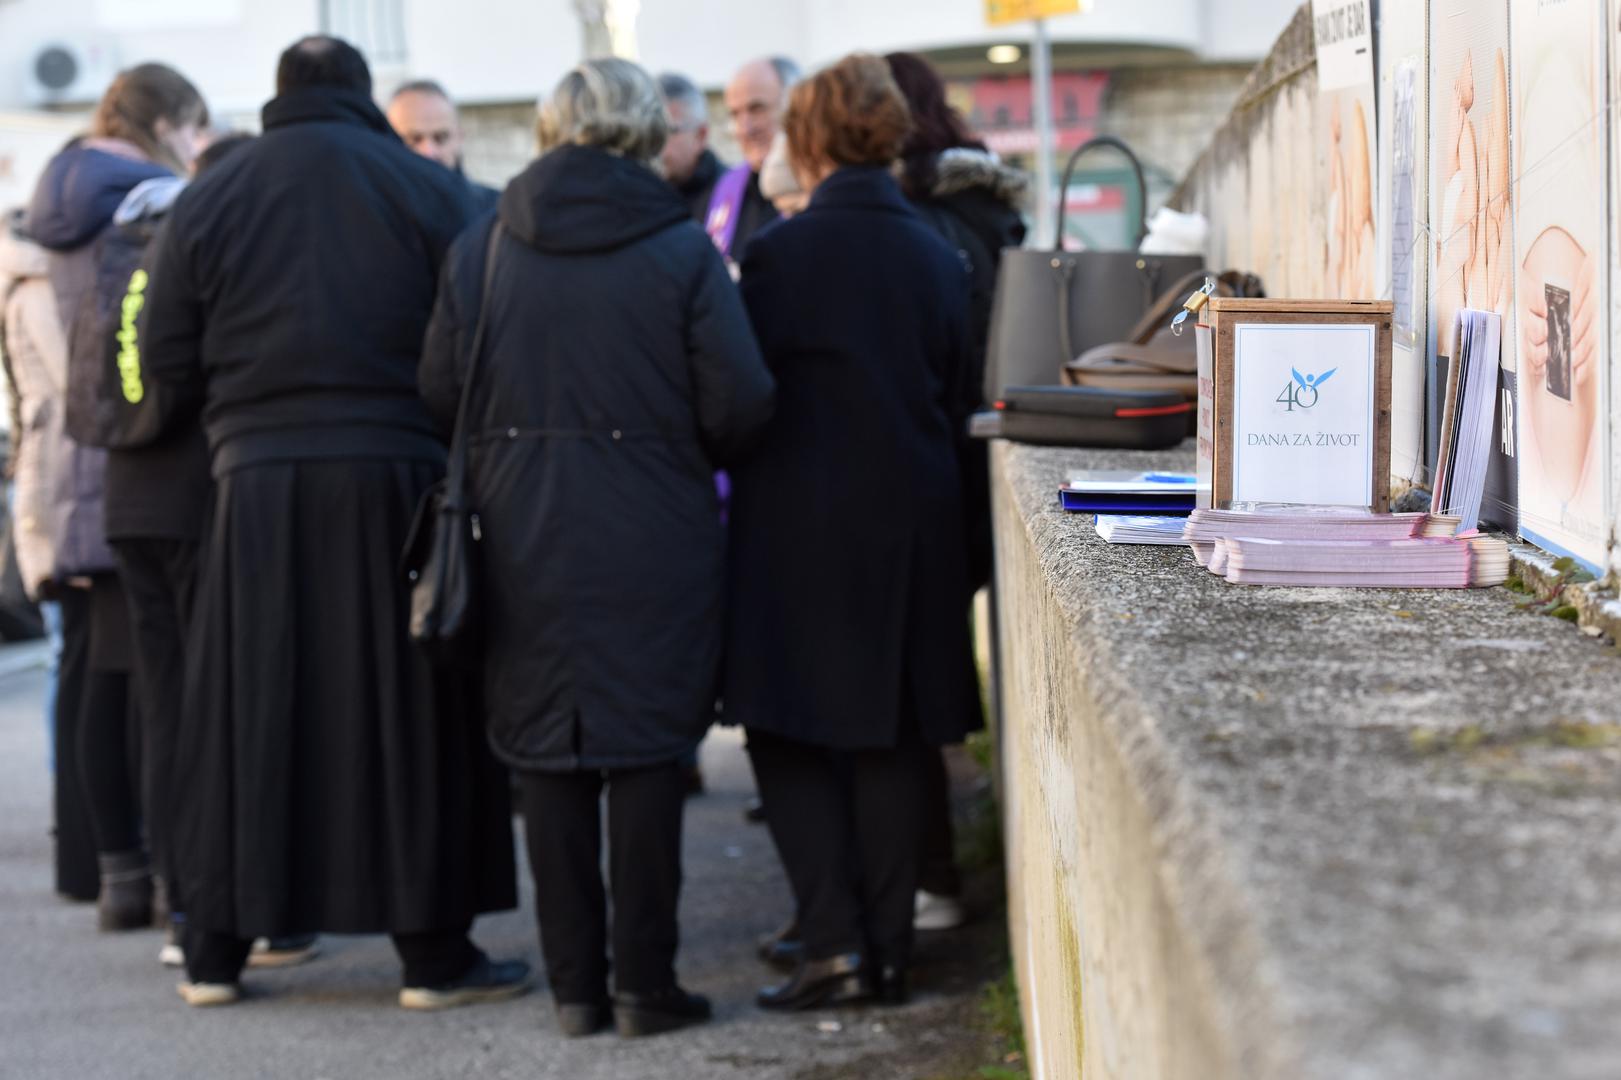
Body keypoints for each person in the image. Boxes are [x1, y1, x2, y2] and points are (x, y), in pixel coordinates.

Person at [136, 35, 523, 1009]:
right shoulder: (428, 189)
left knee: (244, 714)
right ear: (361, 99)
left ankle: (218, 951)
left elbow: (163, 354)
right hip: (398, 475)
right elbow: (479, 336)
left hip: (254, 486)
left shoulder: (209, 197)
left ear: (278, 99)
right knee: (409, 712)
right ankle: (432, 956)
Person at [421, 56, 774, 1039]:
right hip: (653, 529)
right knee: (651, 751)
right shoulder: (678, 249)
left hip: (518, 529)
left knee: (546, 753)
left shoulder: (482, 246)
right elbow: (740, 402)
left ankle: (576, 987)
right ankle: (644, 986)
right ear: (643, 132)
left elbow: (440, 392)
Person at [727, 54, 982, 1011]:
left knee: (783, 726)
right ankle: (886, 951)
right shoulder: (934, 253)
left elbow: (745, 393)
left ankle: (830, 937)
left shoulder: (779, 254)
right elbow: (954, 387)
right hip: (913, 514)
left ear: (811, 137)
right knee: (892, 733)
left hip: (796, 514)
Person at [26, 62, 210, 931]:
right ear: (166, 122)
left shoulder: (43, 212)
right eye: (194, 126)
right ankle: (171, 882)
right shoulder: (150, 203)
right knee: (154, 687)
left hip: (69, 469)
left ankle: (117, 877)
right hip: (142, 460)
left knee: (97, 677)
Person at [92, 132, 259, 970]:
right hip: (195, 501)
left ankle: (178, 899)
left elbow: (116, 384)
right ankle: (216, 902)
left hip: (130, 501)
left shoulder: (130, 243)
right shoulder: (208, 245)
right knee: (218, 709)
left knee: (163, 710)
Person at [885, 50, 1025, 934]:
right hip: (990, 443)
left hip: (926, 456)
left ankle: (929, 876)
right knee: (934, 665)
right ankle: (935, 868)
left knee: (907, 676)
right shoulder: (991, 209)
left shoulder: (908, 220)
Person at [0, 209, 98, 903]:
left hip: (54, 490)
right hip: (61, 492)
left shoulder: (25, 282)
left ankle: (79, 819)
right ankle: (77, 816)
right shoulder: (35, 287)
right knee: (71, 653)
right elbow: (73, 390)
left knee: (72, 654)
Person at [711, 56, 799, 267]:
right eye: (735, 114)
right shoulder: (725, 187)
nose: (745, 128)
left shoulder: (820, 188)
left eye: (757, 109)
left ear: (795, 108)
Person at [387, 79, 501, 212]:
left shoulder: (495, 212)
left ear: (460, 137)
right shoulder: (374, 215)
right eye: (414, 140)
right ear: (388, 141)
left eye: (440, 138)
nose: (429, 152)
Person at [657, 72, 722, 223]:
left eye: (668, 131)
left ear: (701, 135)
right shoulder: (642, 194)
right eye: (652, 130)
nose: (655, 143)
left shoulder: (737, 195)